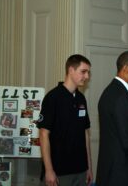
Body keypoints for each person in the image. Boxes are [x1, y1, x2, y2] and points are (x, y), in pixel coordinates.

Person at [38, 54, 93, 186]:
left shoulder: (81, 98)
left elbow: (85, 133)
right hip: (59, 173)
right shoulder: (53, 98)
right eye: (83, 72)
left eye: (88, 73)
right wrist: (49, 170)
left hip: (80, 171)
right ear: (70, 70)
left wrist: (89, 167)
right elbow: (43, 134)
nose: (87, 77)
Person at [96, 51, 128, 186]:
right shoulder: (121, 97)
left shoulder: (112, 91)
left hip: (113, 171)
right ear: (125, 69)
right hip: (121, 175)